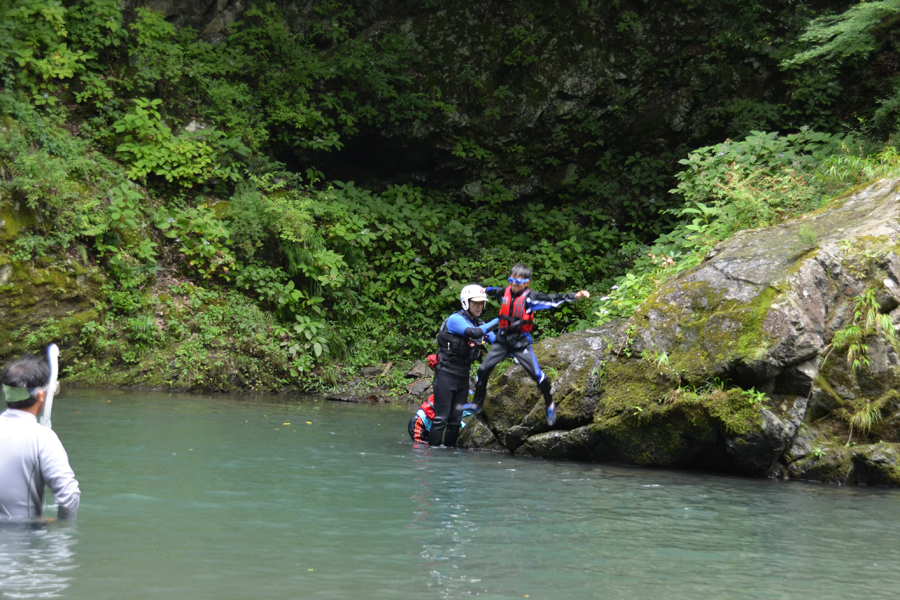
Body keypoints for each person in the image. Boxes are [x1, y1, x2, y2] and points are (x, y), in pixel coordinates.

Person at [468, 263, 590, 427]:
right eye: (511, 279)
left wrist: (575, 296)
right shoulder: (506, 292)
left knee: (537, 375)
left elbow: (553, 299)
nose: (513, 284)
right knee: (482, 371)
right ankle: (476, 404)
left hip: (520, 341)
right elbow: (496, 291)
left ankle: (550, 404)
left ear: (527, 283)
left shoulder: (531, 298)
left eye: (518, 281)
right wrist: (486, 289)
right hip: (503, 339)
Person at [0, 354, 80, 520]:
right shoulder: (43, 438)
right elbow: (69, 496)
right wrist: (61, 526)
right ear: (42, 395)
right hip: (23, 540)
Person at [429, 285, 499, 447]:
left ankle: (450, 457)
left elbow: (495, 342)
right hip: (445, 375)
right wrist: (499, 319)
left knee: (455, 420)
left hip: (462, 377)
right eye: (475, 302)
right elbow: (473, 333)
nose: (479, 306)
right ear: (466, 302)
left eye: (481, 303)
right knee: (441, 419)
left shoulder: (480, 324)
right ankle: (432, 455)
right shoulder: (456, 320)